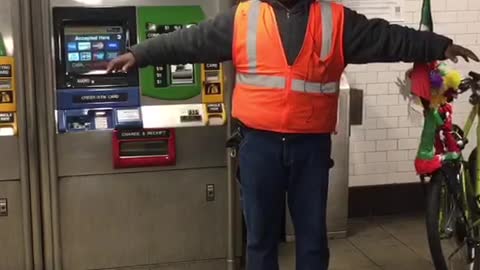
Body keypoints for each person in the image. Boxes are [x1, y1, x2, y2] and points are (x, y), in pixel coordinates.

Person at [107, 0, 479, 269]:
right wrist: (140, 54)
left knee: (313, 240)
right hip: (258, 148)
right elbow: (189, 41)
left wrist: (437, 45)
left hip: (310, 149)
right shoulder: (243, 17)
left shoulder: (335, 19)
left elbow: (387, 38)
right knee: (260, 240)